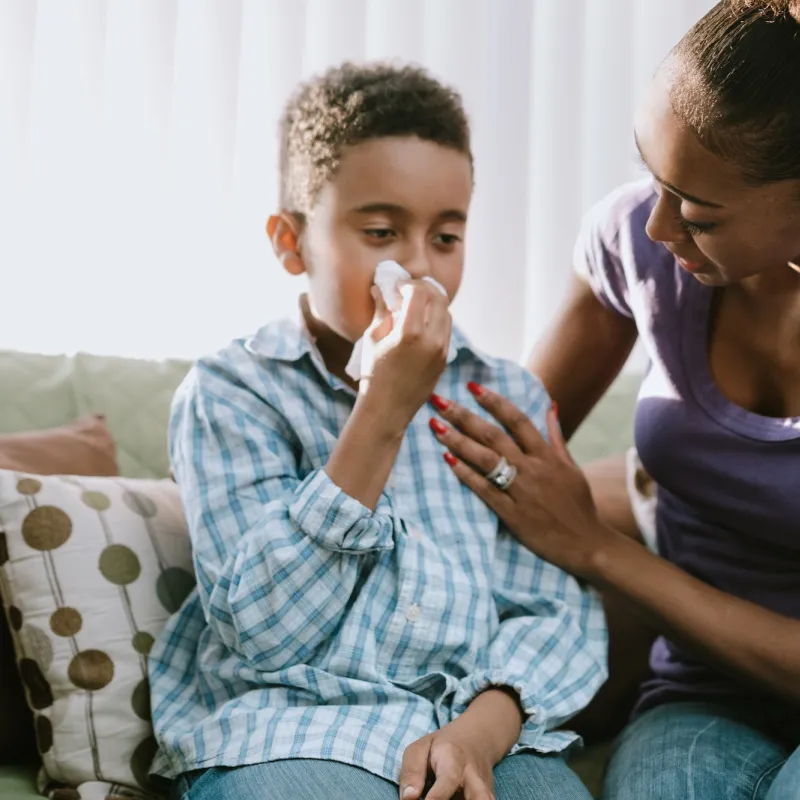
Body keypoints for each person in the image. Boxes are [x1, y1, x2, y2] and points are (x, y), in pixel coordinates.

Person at [147, 62, 606, 800]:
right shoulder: (233, 394)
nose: (419, 266)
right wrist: (383, 411)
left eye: (447, 236)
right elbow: (262, 633)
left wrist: (478, 736)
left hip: (477, 734)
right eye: (383, 232)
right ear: (291, 243)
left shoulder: (502, 397)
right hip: (289, 733)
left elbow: (555, 614)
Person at [426, 1, 800, 798]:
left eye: (699, 213)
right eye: (653, 175)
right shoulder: (641, 242)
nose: (659, 222)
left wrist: (599, 549)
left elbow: (579, 533)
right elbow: (498, 444)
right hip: (703, 692)